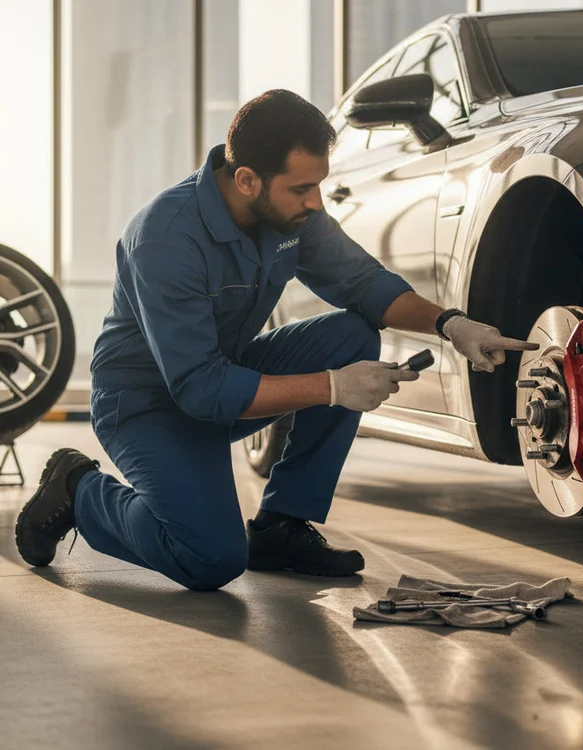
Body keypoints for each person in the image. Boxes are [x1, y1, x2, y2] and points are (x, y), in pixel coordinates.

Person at [15, 90, 538, 589]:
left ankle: (281, 527)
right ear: (246, 179)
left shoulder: (291, 213)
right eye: (301, 189)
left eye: (318, 186)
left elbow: (363, 283)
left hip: (226, 377)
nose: (315, 201)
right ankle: (78, 489)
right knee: (210, 559)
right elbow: (199, 390)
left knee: (353, 333)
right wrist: (332, 388)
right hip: (147, 407)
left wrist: (452, 325)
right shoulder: (165, 238)